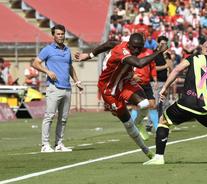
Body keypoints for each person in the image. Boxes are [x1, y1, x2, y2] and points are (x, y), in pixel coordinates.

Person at [74, 33, 168, 159]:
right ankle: (146, 151)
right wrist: (158, 52)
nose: (136, 50)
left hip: (124, 83)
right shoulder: (123, 52)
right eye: (134, 47)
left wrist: (89, 55)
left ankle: (139, 123)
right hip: (109, 90)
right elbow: (139, 63)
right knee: (128, 124)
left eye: (139, 48)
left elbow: (109, 43)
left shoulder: (123, 44)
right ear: (129, 44)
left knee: (145, 104)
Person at [32, 24, 83, 153]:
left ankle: (59, 144)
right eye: (58, 34)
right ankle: (45, 145)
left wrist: (77, 81)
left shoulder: (67, 50)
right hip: (54, 88)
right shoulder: (47, 50)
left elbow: (70, 67)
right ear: (53, 35)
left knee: (63, 118)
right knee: (49, 116)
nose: (60, 36)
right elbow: (35, 63)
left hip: (67, 88)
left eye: (62, 34)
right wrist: (47, 71)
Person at [131, 47, 158, 139]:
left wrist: (155, 79)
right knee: (137, 106)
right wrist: (133, 75)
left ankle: (157, 128)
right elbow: (127, 65)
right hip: (136, 84)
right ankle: (134, 128)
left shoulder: (149, 52)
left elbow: (153, 66)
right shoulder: (132, 52)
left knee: (153, 105)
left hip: (146, 83)